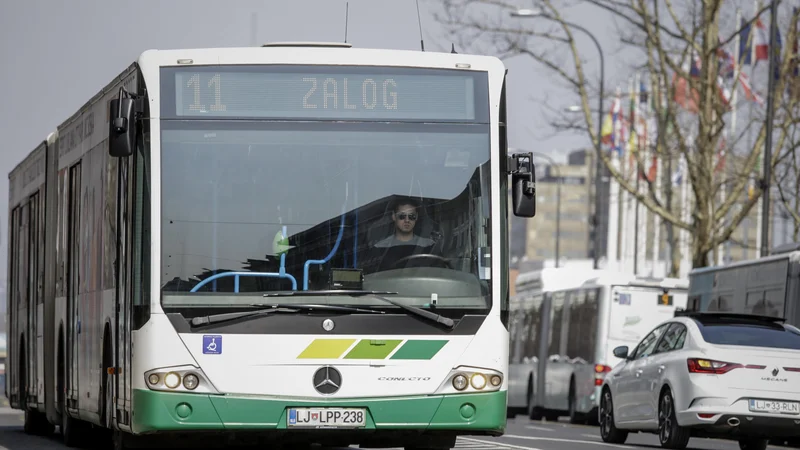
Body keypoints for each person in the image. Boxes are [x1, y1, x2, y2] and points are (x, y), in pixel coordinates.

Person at [370, 199, 437, 271]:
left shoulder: (430, 246)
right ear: (393, 216)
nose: (407, 220)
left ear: (416, 217)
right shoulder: (379, 248)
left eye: (411, 216)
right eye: (402, 216)